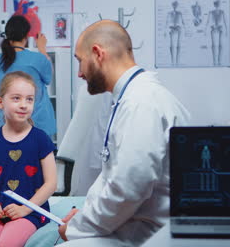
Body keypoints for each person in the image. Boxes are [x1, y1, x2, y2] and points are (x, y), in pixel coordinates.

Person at [57, 20, 190, 246]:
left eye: (80, 61)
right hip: (133, 227)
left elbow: (127, 189)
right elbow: (114, 175)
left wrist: (77, 227)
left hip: (146, 236)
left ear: (98, 54)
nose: (79, 73)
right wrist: (82, 213)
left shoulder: (141, 103)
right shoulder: (132, 98)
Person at [0, 71, 57, 247]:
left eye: (29, 99)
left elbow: (51, 183)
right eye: (16, 98)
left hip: (30, 211)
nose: (24, 105)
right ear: (0, 102)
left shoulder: (41, 139)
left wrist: (25, 209)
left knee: (7, 243)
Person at [0, 15, 56, 137]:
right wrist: (42, 49)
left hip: (10, 122)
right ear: (26, 36)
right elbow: (48, 78)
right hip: (38, 122)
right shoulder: (37, 59)